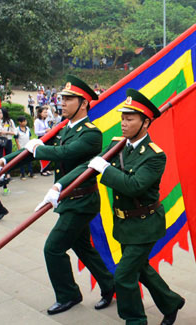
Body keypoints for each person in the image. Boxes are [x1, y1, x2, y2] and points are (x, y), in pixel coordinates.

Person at [45, 89, 185, 325]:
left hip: (145, 225)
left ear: (145, 122)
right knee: (140, 269)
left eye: (130, 119)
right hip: (124, 224)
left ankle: (135, 320)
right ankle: (171, 302)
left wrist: (105, 169)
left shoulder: (154, 156)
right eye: (122, 118)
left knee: (123, 275)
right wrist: (60, 186)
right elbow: (88, 168)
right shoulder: (117, 145)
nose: (123, 123)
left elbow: (134, 186)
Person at [0, 75, 115, 315]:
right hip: (69, 199)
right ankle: (110, 285)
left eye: (69, 99)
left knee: (53, 248)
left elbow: (64, 153)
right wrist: (2, 162)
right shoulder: (64, 128)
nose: (63, 103)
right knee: (83, 248)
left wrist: (39, 148)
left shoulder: (91, 134)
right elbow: (31, 149)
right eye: (62, 98)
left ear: (84, 103)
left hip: (81, 200)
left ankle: (69, 295)